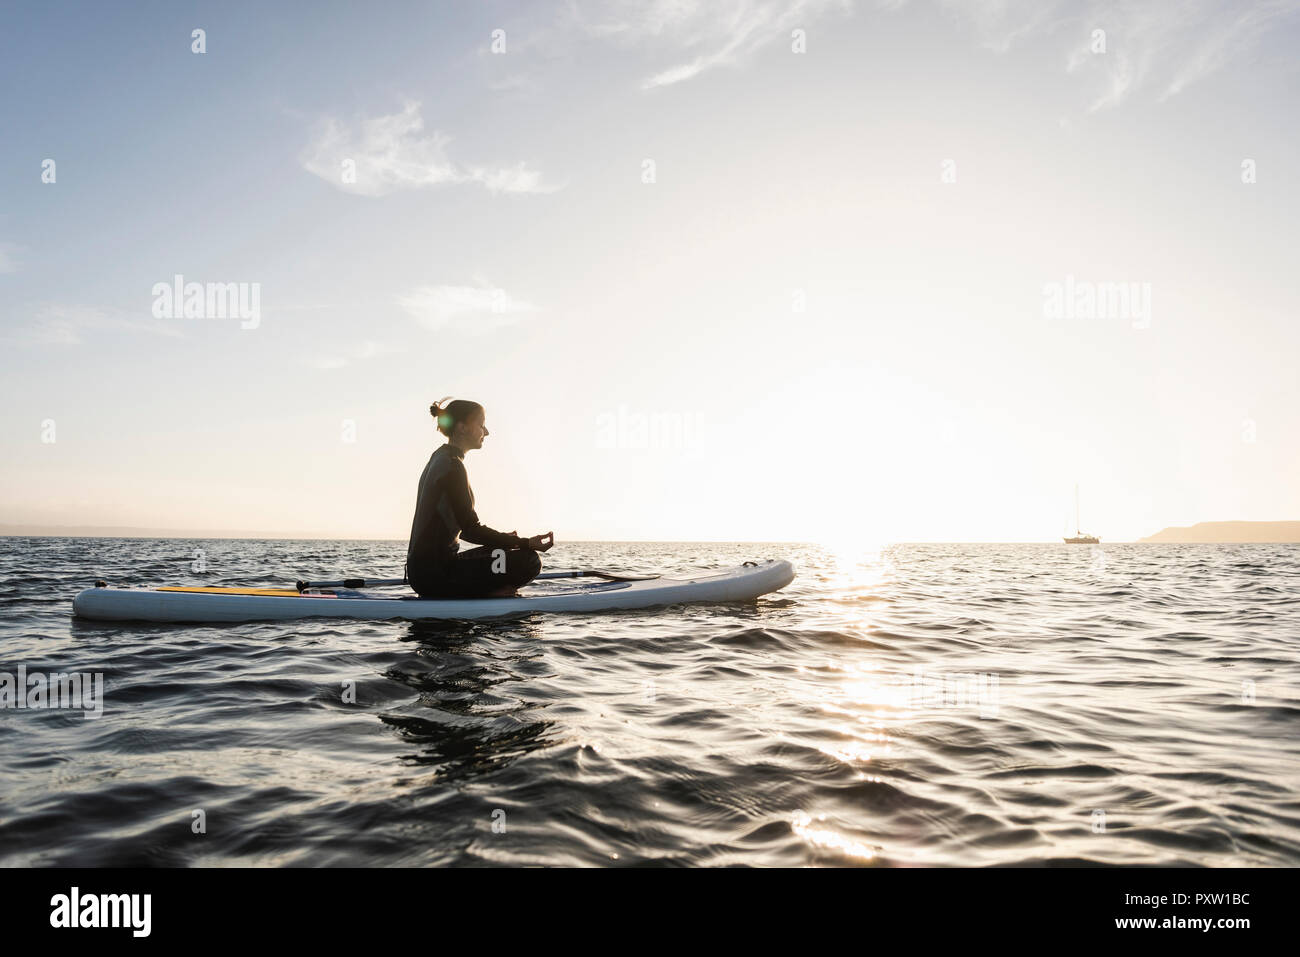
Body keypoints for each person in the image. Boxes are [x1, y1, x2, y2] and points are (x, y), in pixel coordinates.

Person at [405, 397, 553, 598]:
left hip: (424, 572)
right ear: (462, 428)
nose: (487, 432)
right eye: (481, 425)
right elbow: (471, 529)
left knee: (502, 550)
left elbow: (462, 529)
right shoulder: (452, 466)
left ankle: (486, 588)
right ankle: (490, 593)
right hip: (437, 576)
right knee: (528, 560)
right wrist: (525, 542)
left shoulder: (440, 458)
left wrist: (505, 540)